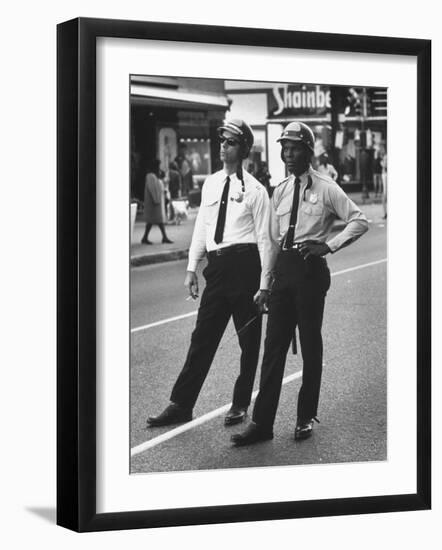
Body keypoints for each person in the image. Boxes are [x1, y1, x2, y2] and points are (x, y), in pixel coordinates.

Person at [231, 121, 369, 446]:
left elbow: (359, 220)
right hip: (284, 273)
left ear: (308, 151)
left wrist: (330, 245)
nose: (288, 154)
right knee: (273, 349)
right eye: (284, 148)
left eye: (294, 148)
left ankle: (305, 416)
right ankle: (262, 424)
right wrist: (265, 285)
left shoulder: (326, 187)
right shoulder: (279, 190)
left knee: (310, 346)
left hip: (310, 272)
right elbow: (273, 242)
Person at [147, 119, 272, 428]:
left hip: (245, 267)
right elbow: (203, 228)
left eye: (230, 142)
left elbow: (267, 241)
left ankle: (240, 403)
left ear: (243, 148)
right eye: (222, 141)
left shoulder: (256, 191)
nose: (223, 146)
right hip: (216, 269)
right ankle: (181, 404)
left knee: (248, 341)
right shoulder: (211, 183)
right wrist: (192, 268)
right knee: (202, 338)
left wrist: (265, 284)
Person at [141, 159, 173, 245]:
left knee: (153, 222)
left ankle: (146, 237)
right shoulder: (150, 176)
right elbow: (153, 190)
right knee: (157, 221)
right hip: (154, 203)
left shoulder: (153, 176)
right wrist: (156, 200)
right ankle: (164, 237)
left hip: (156, 203)